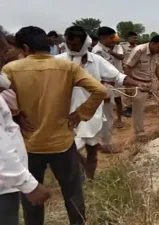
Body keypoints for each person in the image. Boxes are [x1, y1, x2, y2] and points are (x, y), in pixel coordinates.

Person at [1, 26, 107, 225]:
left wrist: (16, 115)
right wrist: (80, 114)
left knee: (31, 198)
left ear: (24, 47)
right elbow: (100, 91)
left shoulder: (11, 69)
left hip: (29, 144)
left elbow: (3, 99)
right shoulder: (68, 67)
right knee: (73, 193)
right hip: (62, 143)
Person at [56, 26, 148, 178]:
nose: (73, 47)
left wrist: (138, 84)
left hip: (91, 113)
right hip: (66, 113)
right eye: (70, 44)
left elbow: (118, 76)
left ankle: (89, 178)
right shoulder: (57, 61)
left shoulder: (96, 61)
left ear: (85, 42)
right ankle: (79, 171)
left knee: (91, 149)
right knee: (68, 149)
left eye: (77, 44)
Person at [0, 27, 52, 225]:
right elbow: (1, 148)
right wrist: (28, 184)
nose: (7, 58)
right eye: (4, 51)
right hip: (4, 186)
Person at [124, 35, 159, 138]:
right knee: (138, 109)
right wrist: (129, 85)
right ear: (152, 43)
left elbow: (157, 67)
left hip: (152, 81)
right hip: (139, 83)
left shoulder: (158, 52)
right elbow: (127, 67)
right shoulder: (139, 50)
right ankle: (139, 133)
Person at [92, 27, 125, 129]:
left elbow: (121, 57)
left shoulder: (113, 47)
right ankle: (104, 126)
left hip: (116, 79)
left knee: (118, 100)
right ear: (102, 38)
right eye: (111, 38)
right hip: (105, 83)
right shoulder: (97, 51)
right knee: (106, 105)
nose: (114, 40)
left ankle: (117, 120)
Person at [121, 31, 139, 117]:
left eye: (136, 38)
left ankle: (132, 106)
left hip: (135, 71)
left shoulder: (137, 47)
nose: (135, 39)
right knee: (126, 90)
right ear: (128, 38)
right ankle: (126, 108)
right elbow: (121, 59)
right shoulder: (123, 46)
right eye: (133, 38)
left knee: (133, 89)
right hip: (125, 70)